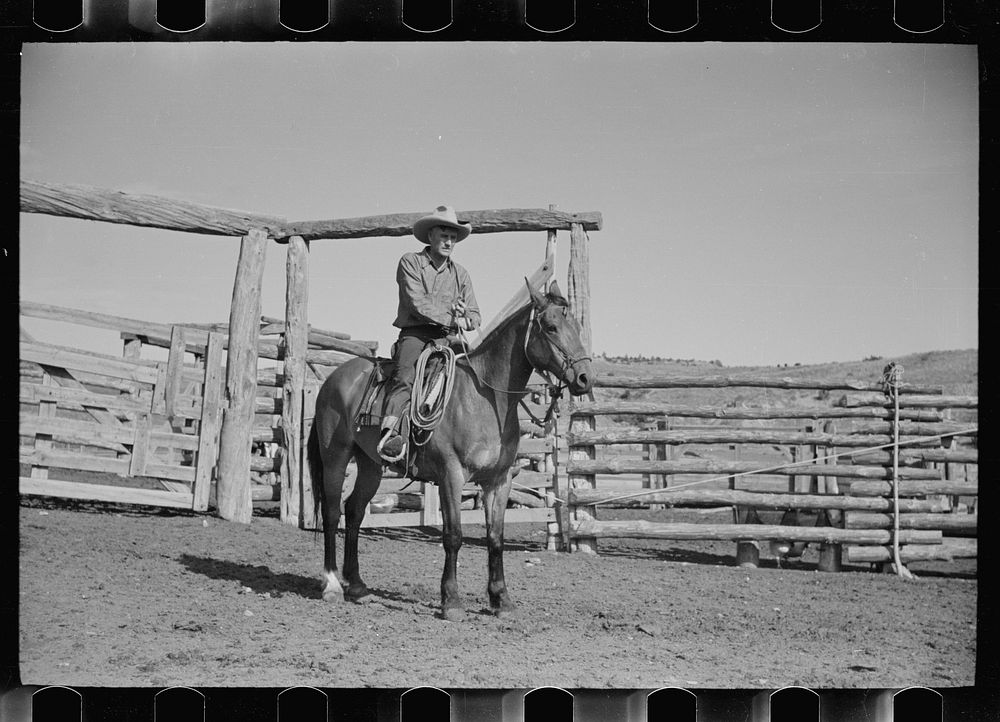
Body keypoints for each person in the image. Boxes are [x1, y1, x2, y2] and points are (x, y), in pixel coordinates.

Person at [377, 205, 482, 462]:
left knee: (475, 377)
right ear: (431, 236)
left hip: (448, 337)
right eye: (444, 236)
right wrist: (452, 313)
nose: (448, 242)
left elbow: (475, 316)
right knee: (405, 376)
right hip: (416, 333)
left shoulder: (461, 274)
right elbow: (417, 303)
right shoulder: (410, 262)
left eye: (453, 238)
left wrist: (466, 316)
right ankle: (391, 433)